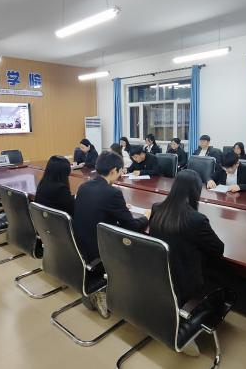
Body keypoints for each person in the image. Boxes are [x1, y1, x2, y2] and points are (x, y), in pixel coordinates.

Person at [149, 169, 225, 357]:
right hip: (185, 283)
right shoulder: (196, 219)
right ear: (195, 191)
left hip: (158, 276)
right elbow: (218, 249)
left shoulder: (157, 208)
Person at [73, 151, 150, 317]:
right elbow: (131, 227)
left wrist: (120, 207)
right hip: (99, 250)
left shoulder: (84, 187)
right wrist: (146, 216)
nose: (121, 174)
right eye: (121, 171)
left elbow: (97, 208)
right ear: (114, 170)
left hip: (78, 245)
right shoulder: (112, 193)